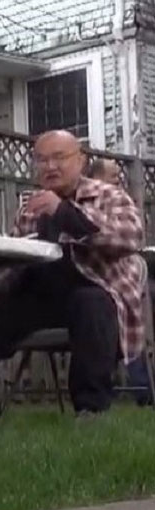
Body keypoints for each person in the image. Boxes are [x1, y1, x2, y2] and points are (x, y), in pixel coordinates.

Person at [0, 131, 145, 416]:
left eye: (59, 158)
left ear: (81, 160)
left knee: (91, 304)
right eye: (42, 160)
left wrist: (63, 211)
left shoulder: (108, 195)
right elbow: (16, 258)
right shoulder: (30, 208)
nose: (50, 167)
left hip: (94, 288)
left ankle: (91, 410)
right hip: (41, 294)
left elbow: (130, 237)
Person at [88, 157, 153, 406]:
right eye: (112, 176)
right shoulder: (87, 203)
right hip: (92, 285)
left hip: (117, 287)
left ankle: (143, 391)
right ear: (95, 178)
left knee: (128, 310)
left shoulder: (119, 203)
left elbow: (131, 238)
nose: (118, 181)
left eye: (118, 176)